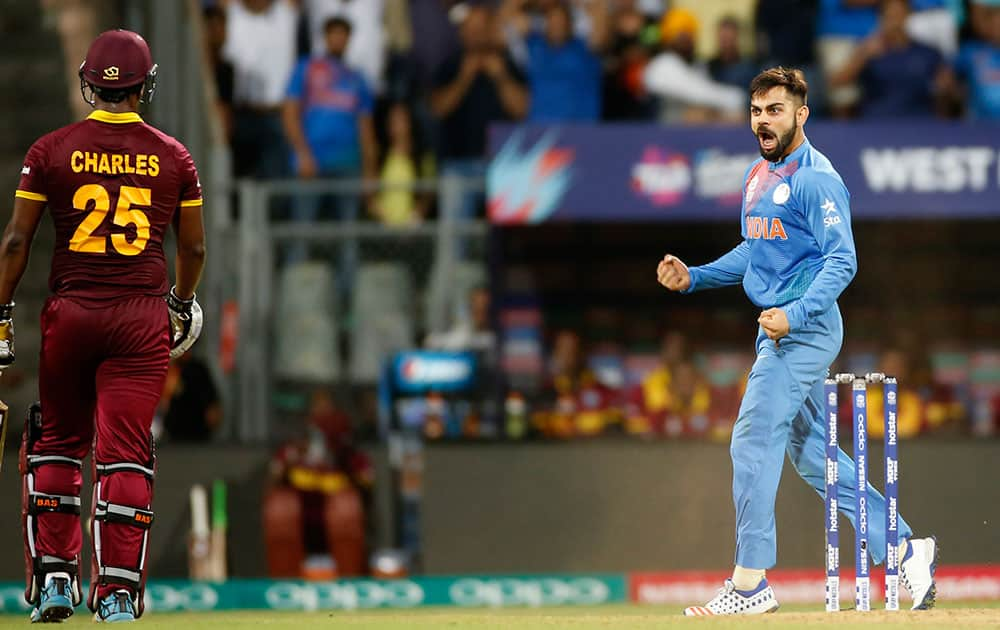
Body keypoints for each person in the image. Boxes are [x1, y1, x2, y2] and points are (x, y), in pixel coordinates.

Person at [656, 67, 937, 616]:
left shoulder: (817, 178)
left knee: (751, 437)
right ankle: (904, 547)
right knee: (815, 458)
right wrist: (696, 275)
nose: (763, 121)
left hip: (804, 330)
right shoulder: (757, 175)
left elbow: (843, 260)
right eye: (757, 110)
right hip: (780, 331)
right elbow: (754, 251)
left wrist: (794, 311)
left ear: (801, 115)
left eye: (775, 110)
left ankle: (749, 584)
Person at [1, 30, 206, 622]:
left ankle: (58, 583)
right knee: (125, 455)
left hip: (71, 314)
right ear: (146, 84)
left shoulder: (50, 150)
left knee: (58, 445)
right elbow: (192, 249)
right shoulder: (174, 156)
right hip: (140, 319)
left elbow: (17, 241)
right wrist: (182, 302)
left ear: (89, 81)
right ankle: (115, 593)